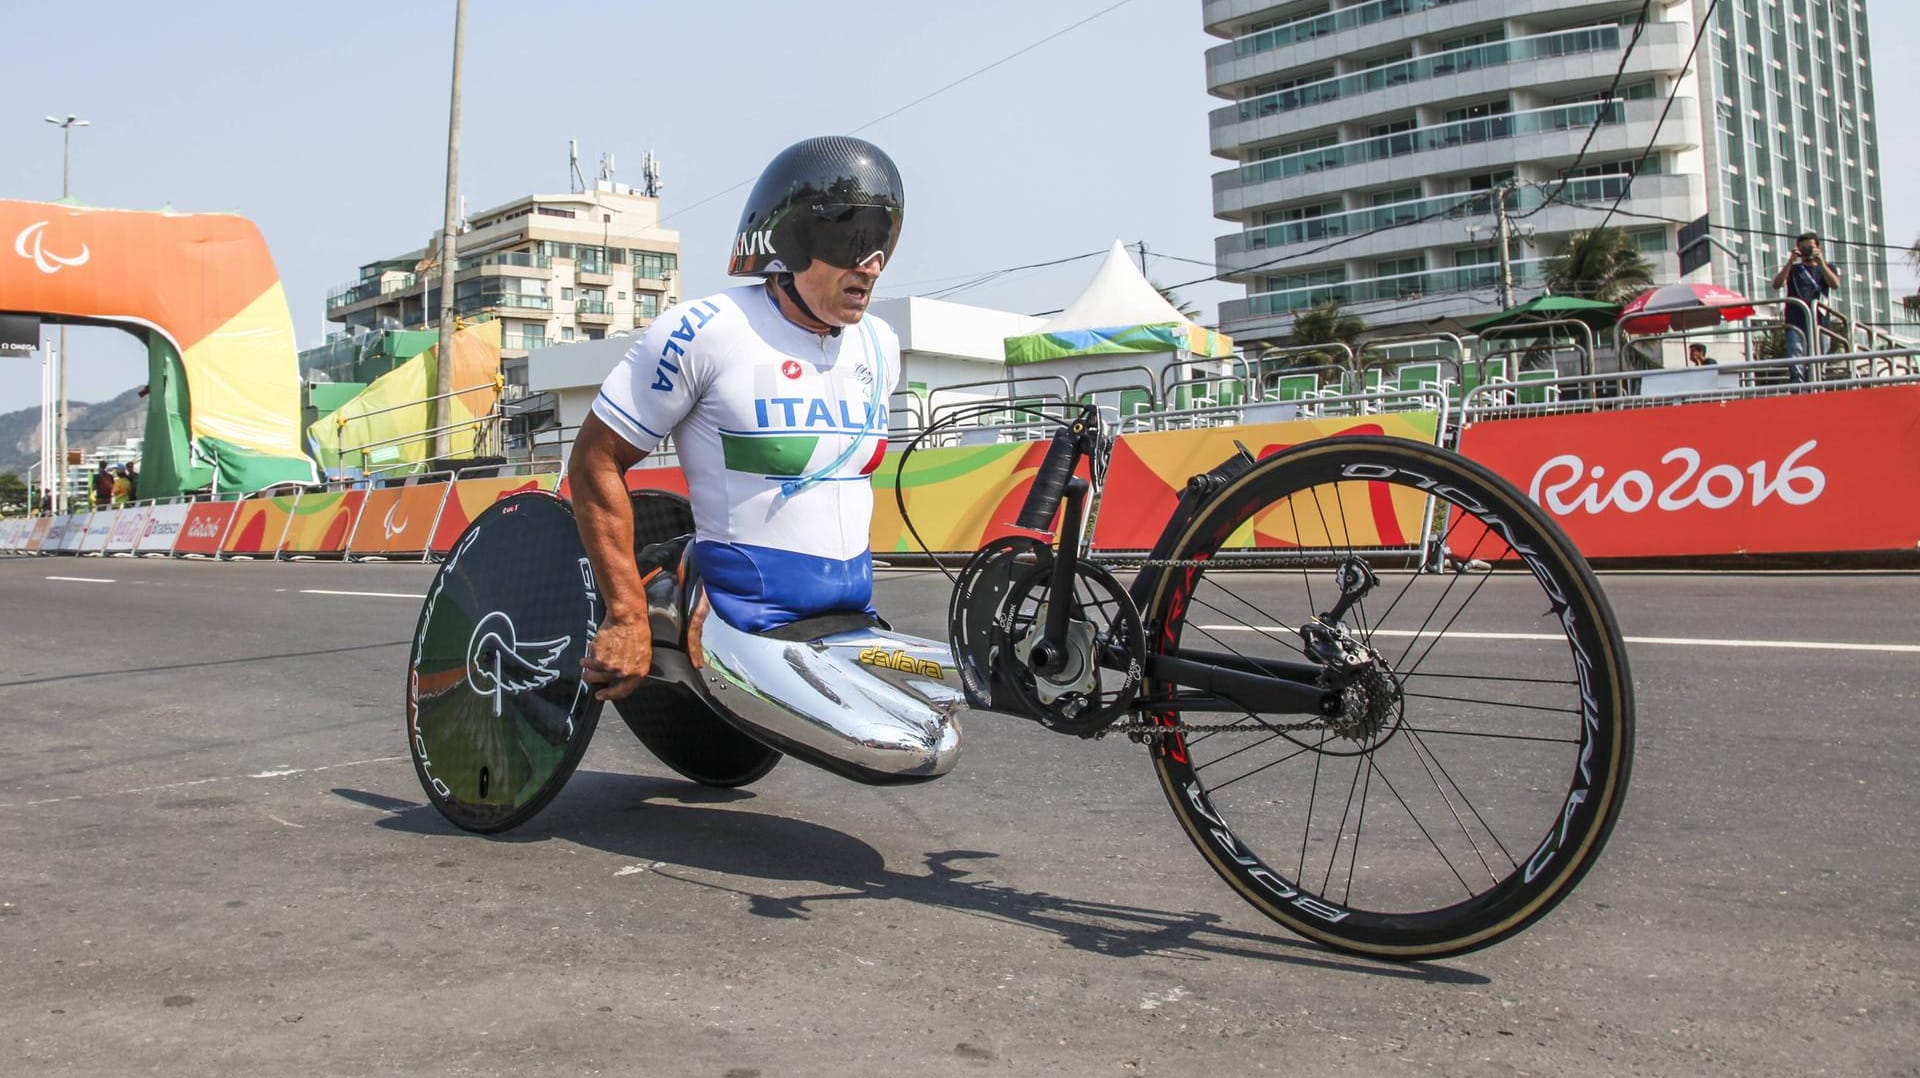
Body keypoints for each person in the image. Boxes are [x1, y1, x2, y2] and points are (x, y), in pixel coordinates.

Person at [569, 136, 906, 702]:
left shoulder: (880, 345)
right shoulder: (703, 331)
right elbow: (594, 461)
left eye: (884, 241)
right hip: (741, 621)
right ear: (795, 240)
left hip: (848, 616)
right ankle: (670, 590)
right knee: (916, 755)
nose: (872, 264)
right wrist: (625, 615)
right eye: (855, 239)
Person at [1771, 230, 1838, 382]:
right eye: (1803, 249)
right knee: (1795, 361)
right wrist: (1790, 262)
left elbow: (1834, 284)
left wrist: (1821, 262)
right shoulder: (1794, 269)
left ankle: (1818, 387)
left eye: (1810, 248)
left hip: (1820, 322)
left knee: (1820, 361)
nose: (1806, 252)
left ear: (1818, 248)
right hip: (1795, 321)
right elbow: (1776, 284)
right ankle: (1798, 391)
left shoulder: (1827, 267)